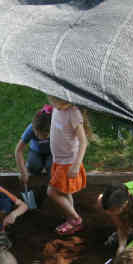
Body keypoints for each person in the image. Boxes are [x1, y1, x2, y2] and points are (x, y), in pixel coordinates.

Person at [46, 95, 91, 236]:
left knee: (52, 192)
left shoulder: (73, 113)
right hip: (58, 160)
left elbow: (83, 142)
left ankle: (76, 219)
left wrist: (76, 164)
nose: (55, 105)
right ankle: (70, 218)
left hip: (68, 162)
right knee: (65, 192)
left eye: (58, 102)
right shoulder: (56, 108)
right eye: (52, 101)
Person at [15, 105, 53, 186]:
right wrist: (23, 172)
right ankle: (33, 180)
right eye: (37, 134)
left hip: (52, 152)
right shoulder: (31, 128)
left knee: (52, 167)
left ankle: (50, 187)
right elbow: (18, 150)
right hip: (36, 151)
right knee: (34, 165)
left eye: (45, 136)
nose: (40, 137)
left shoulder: (56, 130)